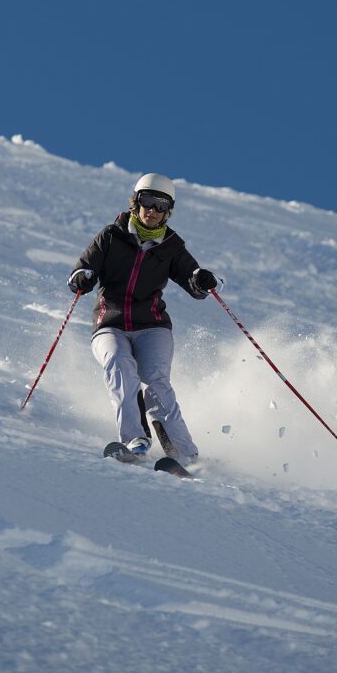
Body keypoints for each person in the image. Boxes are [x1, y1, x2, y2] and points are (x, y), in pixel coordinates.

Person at [68, 173, 218, 463]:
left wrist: (202, 280)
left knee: (156, 381)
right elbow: (82, 269)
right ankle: (134, 439)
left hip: (153, 326)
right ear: (135, 202)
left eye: (160, 205)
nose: (152, 210)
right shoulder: (111, 236)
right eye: (147, 201)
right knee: (119, 366)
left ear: (168, 211)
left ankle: (184, 454)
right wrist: (82, 278)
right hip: (109, 323)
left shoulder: (171, 246)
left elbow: (193, 280)